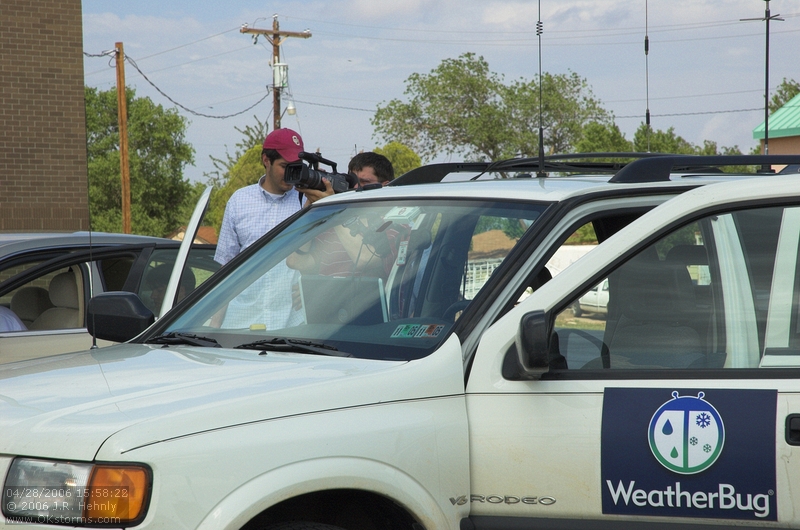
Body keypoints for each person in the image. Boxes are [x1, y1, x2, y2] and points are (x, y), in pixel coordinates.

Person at [287, 152, 398, 278]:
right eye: (352, 180)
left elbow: (365, 259)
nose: (356, 187)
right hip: (332, 297)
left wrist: (335, 210)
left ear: (385, 185)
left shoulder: (395, 224)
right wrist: (311, 207)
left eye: (364, 182)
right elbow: (295, 261)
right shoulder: (333, 227)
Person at [214, 128, 306, 266]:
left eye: (296, 167)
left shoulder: (307, 200)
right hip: (248, 288)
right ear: (266, 160)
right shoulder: (239, 201)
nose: (291, 173)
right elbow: (226, 263)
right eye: (285, 166)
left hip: (293, 288)